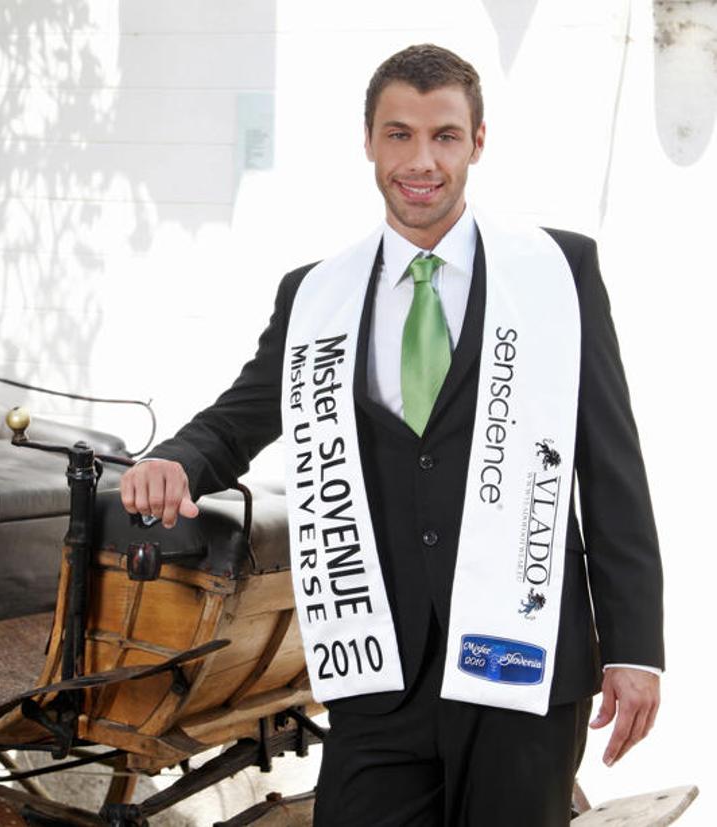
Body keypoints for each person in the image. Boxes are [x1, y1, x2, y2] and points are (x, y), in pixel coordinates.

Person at [119, 44, 663, 826]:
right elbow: (242, 414)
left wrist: (633, 646)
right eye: (399, 134)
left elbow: (610, 467)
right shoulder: (317, 294)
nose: (421, 161)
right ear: (369, 142)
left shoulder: (554, 271)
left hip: (522, 663)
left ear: (477, 142)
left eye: (444, 136)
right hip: (377, 666)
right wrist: (176, 458)